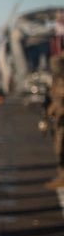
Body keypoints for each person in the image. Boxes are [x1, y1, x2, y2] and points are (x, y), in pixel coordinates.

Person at [44, 55, 64, 188]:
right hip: (58, 117)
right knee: (59, 147)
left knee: (61, 147)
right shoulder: (56, 80)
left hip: (61, 117)